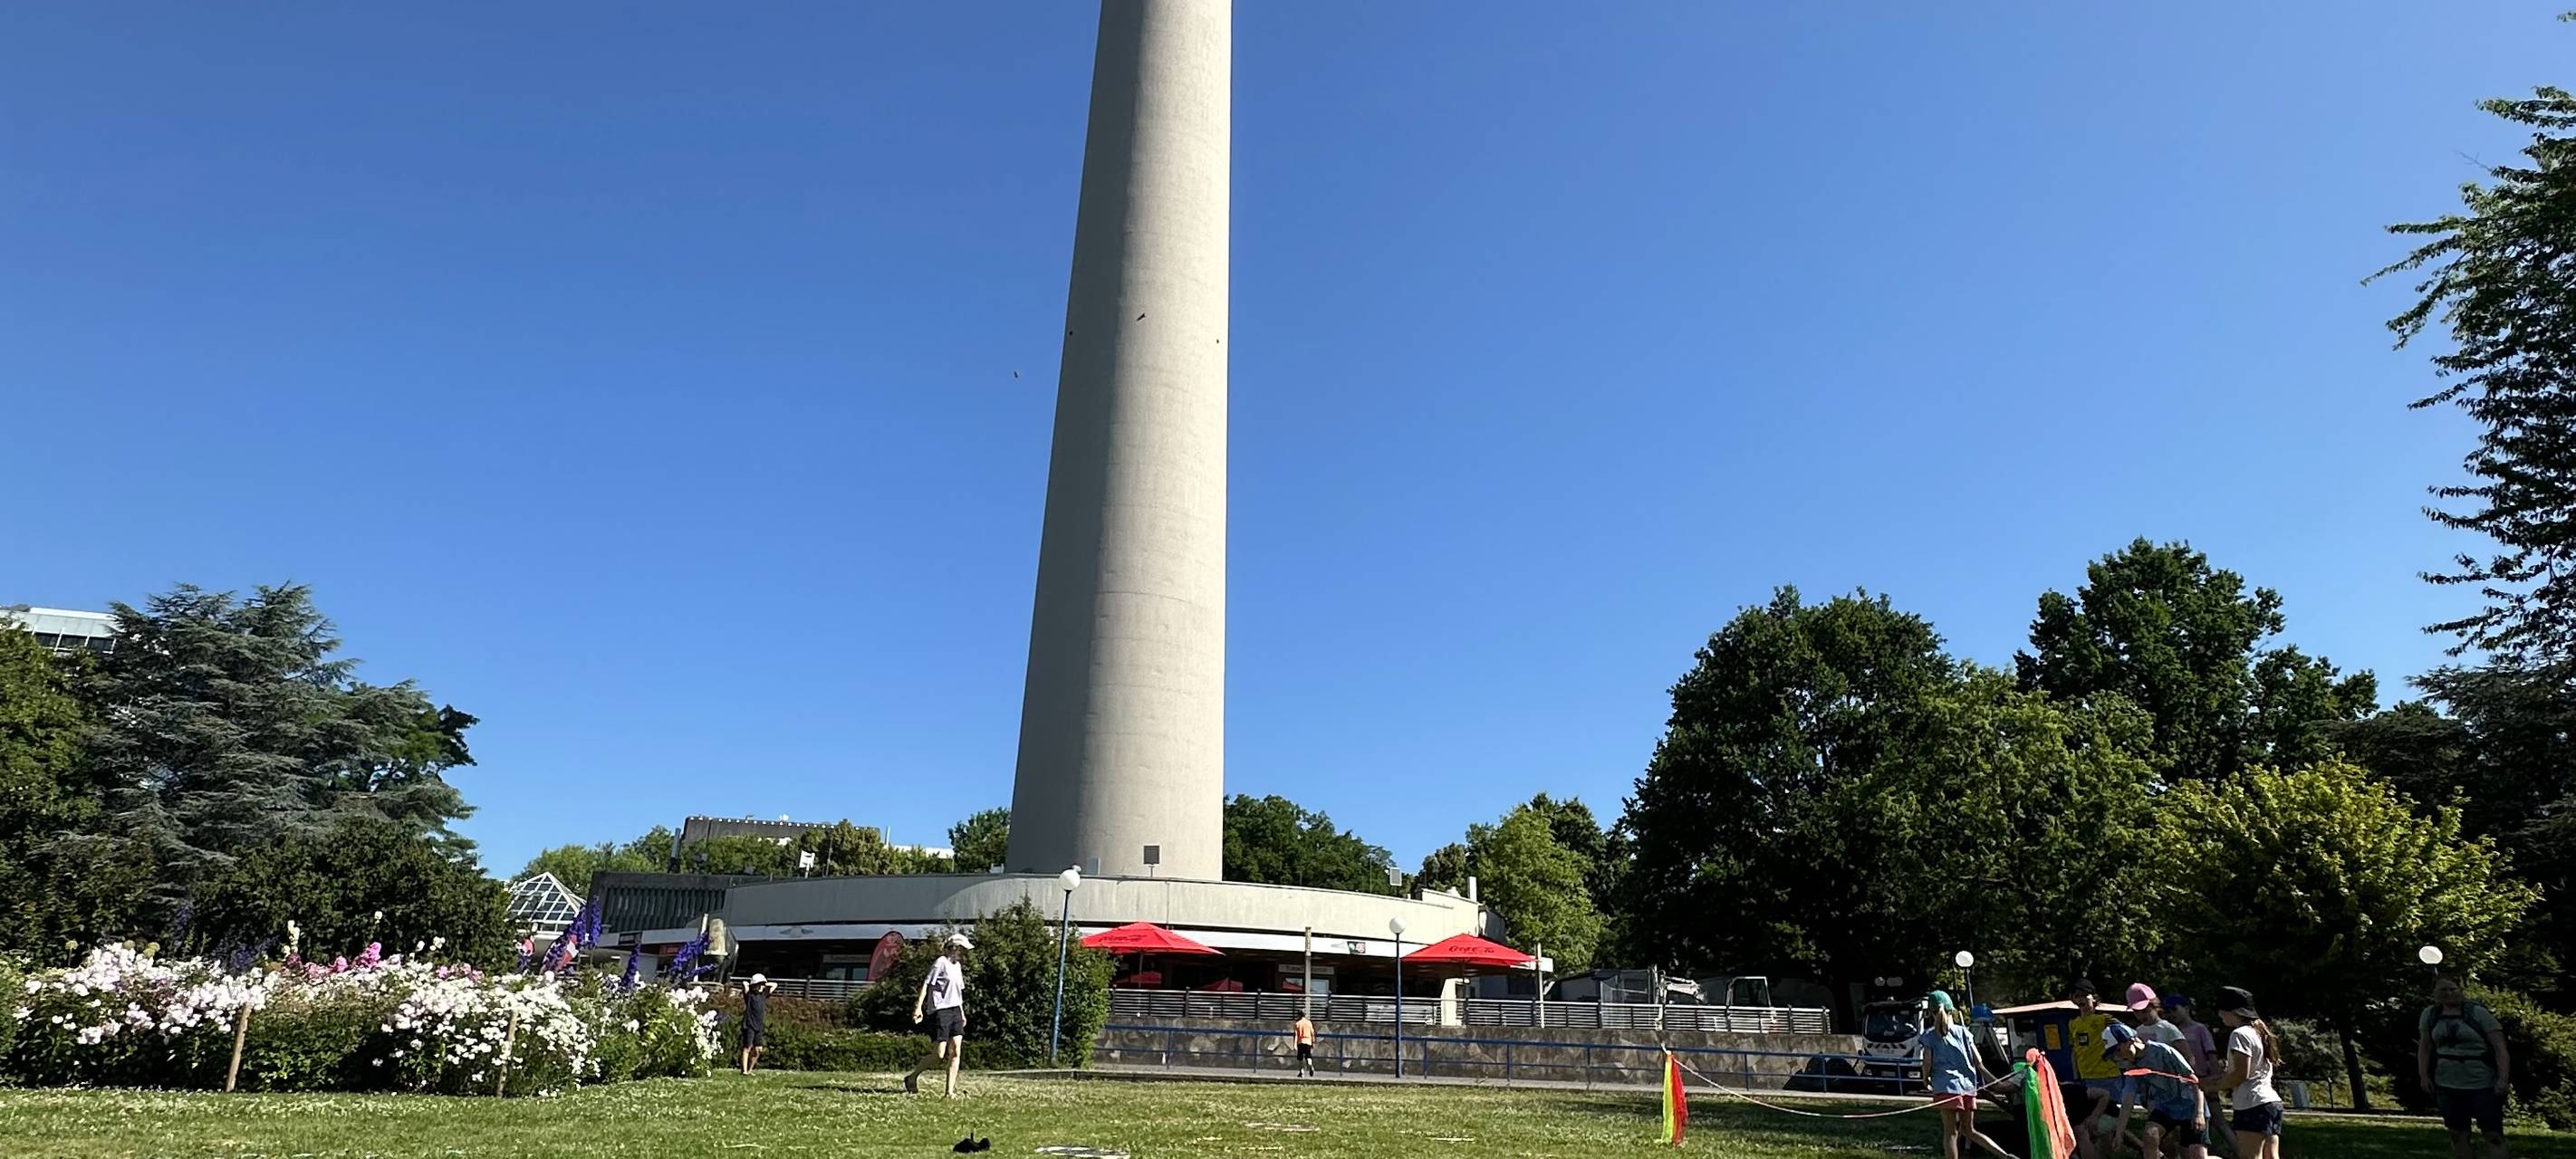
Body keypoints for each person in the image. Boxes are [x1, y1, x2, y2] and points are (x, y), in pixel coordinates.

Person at [2418, 975, 2513, 1159]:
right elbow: (2425, 1047)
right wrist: (2423, 1075)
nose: (2449, 994)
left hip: (2482, 1083)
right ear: (2434, 994)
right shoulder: (2430, 1015)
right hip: (2446, 1083)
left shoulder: (2478, 1013)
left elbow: (2500, 1048)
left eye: (2453, 989)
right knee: (2457, 1134)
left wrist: (2503, 1079)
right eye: (2443, 990)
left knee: (2492, 1135)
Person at [1918, 991, 2012, 1159]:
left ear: (1930, 1012)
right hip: (1968, 1087)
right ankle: (2005, 1156)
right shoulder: (1963, 1032)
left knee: (1951, 1133)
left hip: (1945, 1087)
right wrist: (1990, 1078)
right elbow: (1978, 1060)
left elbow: (1927, 1061)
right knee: (1969, 1130)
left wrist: (1925, 1078)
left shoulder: (1930, 1036)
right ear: (1951, 1010)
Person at [2103, 1020, 2210, 1159]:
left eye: (2118, 1051)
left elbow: (2194, 1081)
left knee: (2195, 1155)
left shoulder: (2163, 1051)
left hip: (2191, 1105)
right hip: (2165, 1107)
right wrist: (2119, 1133)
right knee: (2150, 1136)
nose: (2118, 1057)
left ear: (2130, 1041)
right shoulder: (2132, 1067)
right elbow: (2127, 1101)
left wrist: (2199, 1113)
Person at [2213, 986, 2283, 1159]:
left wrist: (2216, 1087)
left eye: (2221, 1010)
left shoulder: (2239, 1034)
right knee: (2271, 1156)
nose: (2219, 1014)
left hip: (2252, 1103)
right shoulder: (2257, 1032)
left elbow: (2241, 1073)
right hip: (2270, 1102)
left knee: (2250, 1156)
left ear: (2232, 1011)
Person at [908, 933, 973, 1097]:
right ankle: (912, 1077)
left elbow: (958, 993)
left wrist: (962, 1013)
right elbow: (927, 984)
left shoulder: (957, 966)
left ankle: (949, 1092)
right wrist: (919, 1008)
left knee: (956, 1051)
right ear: (955, 948)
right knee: (939, 1054)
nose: (965, 953)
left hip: (956, 1011)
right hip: (941, 1011)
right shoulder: (940, 963)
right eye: (963, 949)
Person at [2062, 980, 2123, 1157]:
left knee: (2105, 1125)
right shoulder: (2073, 1023)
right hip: (2086, 1078)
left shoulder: (2104, 1019)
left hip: (2108, 1077)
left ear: (2093, 997)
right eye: (2077, 996)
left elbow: (2126, 1035)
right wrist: (2076, 1075)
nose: (2081, 1000)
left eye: (2084, 995)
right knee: (2089, 1126)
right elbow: (2075, 1050)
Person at [2127, 982, 2184, 1048]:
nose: (2140, 1016)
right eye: (2136, 1012)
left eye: (2144, 1011)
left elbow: (2188, 1056)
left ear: (2155, 1006)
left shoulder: (2168, 1028)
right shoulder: (2138, 1031)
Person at [738, 973, 774, 1075]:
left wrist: (764, 984)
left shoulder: (763, 995)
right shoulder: (749, 995)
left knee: (758, 1050)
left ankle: (750, 1070)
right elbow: (744, 984)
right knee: (747, 1047)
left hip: (759, 1026)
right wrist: (754, 984)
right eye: (759, 985)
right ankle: (744, 1071)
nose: (760, 987)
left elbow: (775, 985)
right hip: (749, 1024)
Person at [1291, 1011, 1317, 1078]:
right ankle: (1310, 1066)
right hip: (1308, 1041)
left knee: (1300, 1058)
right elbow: (1312, 1033)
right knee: (1308, 1056)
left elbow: (1296, 1035)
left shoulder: (1297, 1024)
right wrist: (1313, 1042)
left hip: (1300, 1042)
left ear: (1299, 1015)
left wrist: (1294, 1044)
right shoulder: (1309, 1023)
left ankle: (1301, 1072)